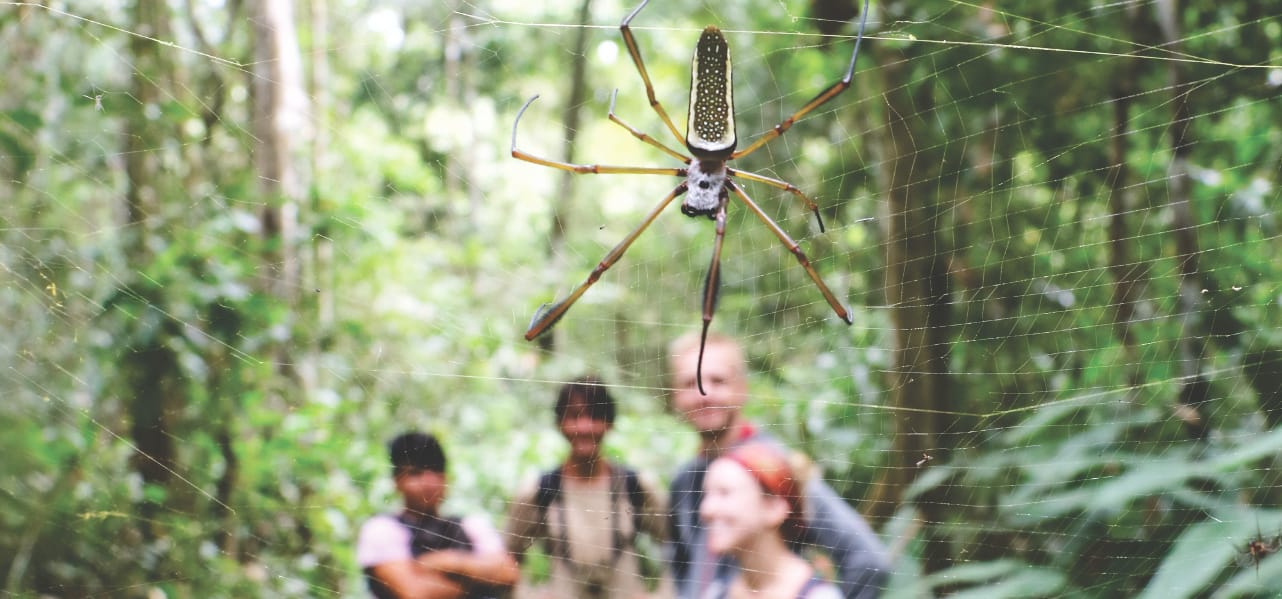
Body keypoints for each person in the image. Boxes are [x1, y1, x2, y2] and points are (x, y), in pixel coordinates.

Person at [666, 333, 889, 599]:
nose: (704, 394)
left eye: (718, 380)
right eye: (690, 383)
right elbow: (681, 567)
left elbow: (867, 560)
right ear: (674, 395)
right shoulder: (685, 478)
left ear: (742, 388)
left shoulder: (774, 466)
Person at [504, 376, 671, 599]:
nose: (584, 427)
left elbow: (679, 545)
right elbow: (507, 557)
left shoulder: (636, 485)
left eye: (595, 416)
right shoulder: (539, 490)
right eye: (574, 416)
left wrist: (661, 594)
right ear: (559, 423)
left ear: (609, 423)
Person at [357, 431, 520, 599]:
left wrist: (447, 562)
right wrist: (479, 576)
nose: (428, 481)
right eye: (416, 473)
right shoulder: (381, 529)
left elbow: (509, 573)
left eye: (435, 470)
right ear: (397, 481)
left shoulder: (471, 524)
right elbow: (415, 594)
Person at [700, 442, 843, 599]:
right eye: (706, 495)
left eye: (724, 493)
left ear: (773, 508)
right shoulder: (718, 591)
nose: (706, 510)